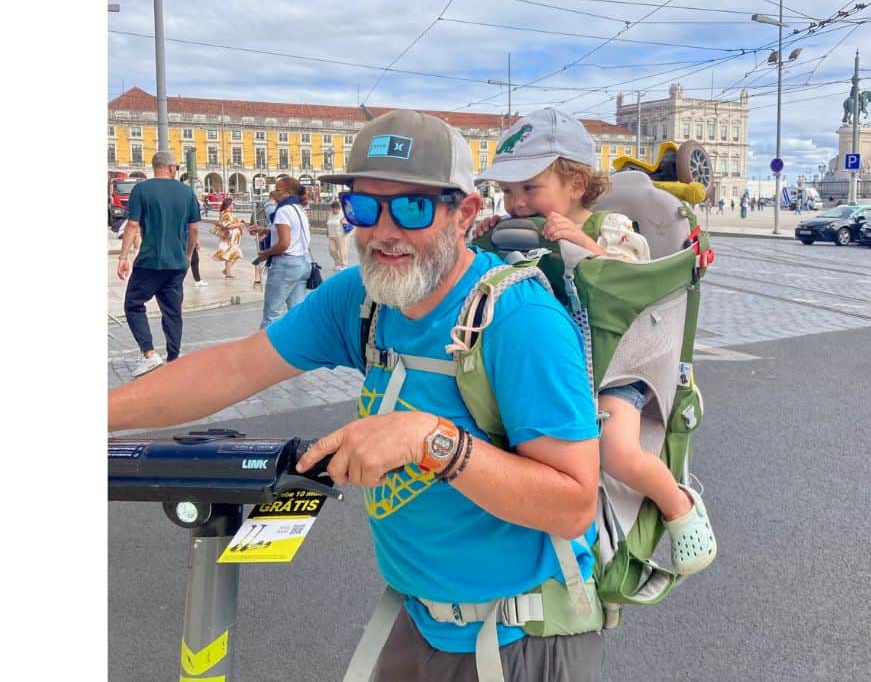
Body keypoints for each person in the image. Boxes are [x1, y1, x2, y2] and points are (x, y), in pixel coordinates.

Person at [109, 109, 603, 681]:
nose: (384, 231)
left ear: (465, 213)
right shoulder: (363, 300)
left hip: (520, 638)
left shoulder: (520, 321)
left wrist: (432, 440)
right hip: (416, 618)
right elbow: (232, 366)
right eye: (364, 207)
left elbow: (573, 505)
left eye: (413, 208)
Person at [477, 107, 716, 578]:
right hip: (559, 365)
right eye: (507, 191)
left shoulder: (609, 227)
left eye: (529, 188)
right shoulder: (518, 231)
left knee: (616, 450)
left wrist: (584, 248)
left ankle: (680, 506)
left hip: (619, 364)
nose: (516, 202)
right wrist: (487, 237)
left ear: (576, 184)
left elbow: (628, 277)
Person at [117, 151, 201, 378]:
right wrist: (188, 255)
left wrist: (123, 257)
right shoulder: (187, 192)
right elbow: (194, 229)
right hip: (176, 263)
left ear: (154, 167)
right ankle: (174, 358)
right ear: (172, 168)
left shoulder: (141, 190)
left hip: (150, 262)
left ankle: (149, 353)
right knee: (173, 311)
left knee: (133, 304)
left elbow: (132, 225)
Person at [254, 176, 312, 329]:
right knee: (296, 313)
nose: (274, 193)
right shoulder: (299, 209)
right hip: (302, 263)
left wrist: (265, 253)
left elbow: (284, 244)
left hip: (285, 264)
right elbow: (293, 233)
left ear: (287, 193)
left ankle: (265, 350)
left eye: (278, 190)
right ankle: (298, 348)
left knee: (271, 315)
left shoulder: (283, 211)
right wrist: (264, 229)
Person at [212, 196, 244, 279]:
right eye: (233, 204)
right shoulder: (226, 214)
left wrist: (239, 226)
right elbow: (228, 226)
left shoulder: (229, 214)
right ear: (229, 205)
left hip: (233, 240)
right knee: (230, 255)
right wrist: (239, 224)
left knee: (236, 254)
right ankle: (228, 274)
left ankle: (227, 270)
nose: (233, 205)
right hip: (229, 239)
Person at [325, 199, 351, 270]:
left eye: (334, 209)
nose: (333, 211)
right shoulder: (331, 214)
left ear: (338, 208)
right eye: (332, 209)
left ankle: (344, 265)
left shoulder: (343, 214)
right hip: (332, 235)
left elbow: (349, 222)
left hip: (341, 235)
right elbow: (328, 223)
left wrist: (345, 223)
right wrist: (327, 231)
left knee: (342, 251)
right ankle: (337, 263)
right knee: (332, 250)